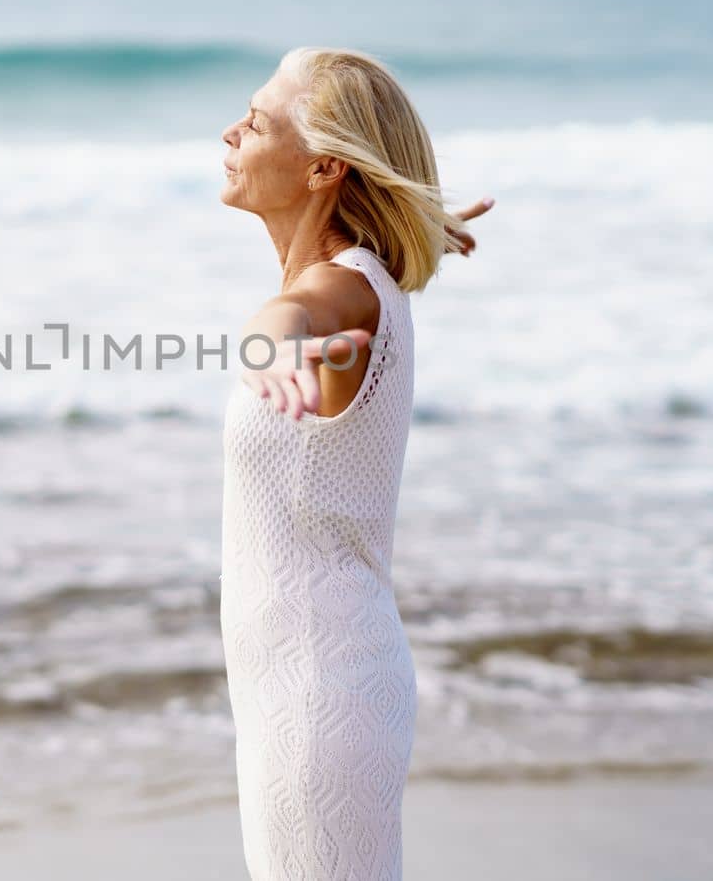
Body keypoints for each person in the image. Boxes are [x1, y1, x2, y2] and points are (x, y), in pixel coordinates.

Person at [218, 47, 493, 879]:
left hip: (317, 697)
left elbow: (295, 313)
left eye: (259, 120)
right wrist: (407, 217)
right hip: (305, 687)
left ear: (325, 167)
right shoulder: (364, 277)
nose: (232, 130)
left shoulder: (344, 293)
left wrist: (270, 343)